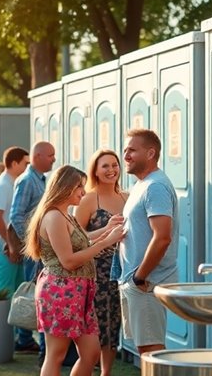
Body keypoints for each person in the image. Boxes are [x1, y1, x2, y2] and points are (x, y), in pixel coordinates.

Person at [25, 165, 125, 376]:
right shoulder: (53, 217)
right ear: (65, 188)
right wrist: (106, 241)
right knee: (56, 354)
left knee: (91, 352)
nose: (83, 191)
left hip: (81, 291)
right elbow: (68, 261)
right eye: (79, 186)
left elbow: (82, 241)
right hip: (60, 292)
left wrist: (106, 230)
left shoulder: (65, 215)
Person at [119, 129, 179, 355]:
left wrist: (140, 276)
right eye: (125, 150)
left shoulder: (155, 186)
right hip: (137, 282)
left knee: (151, 351)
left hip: (147, 282)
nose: (125, 155)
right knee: (145, 348)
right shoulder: (141, 185)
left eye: (132, 150)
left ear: (151, 153)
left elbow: (162, 237)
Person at [74, 149, 127, 376]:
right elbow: (75, 239)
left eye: (114, 165)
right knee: (95, 327)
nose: (111, 170)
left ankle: (107, 372)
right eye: (105, 166)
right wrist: (106, 233)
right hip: (94, 272)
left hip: (122, 271)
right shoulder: (87, 199)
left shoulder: (127, 197)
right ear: (95, 169)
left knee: (113, 324)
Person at [0, 147, 37, 353]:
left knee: (16, 294)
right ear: (14, 163)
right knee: (3, 294)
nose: (27, 167)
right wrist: (11, 244)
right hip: (4, 248)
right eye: (25, 163)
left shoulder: (10, 183)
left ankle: (19, 340)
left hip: (10, 247)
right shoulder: (3, 185)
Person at [8, 141, 56, 359]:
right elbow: (16, 215)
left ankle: (28, 341)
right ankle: (29, 341)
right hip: (36, 250)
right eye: (50, 155)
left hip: (41, 249)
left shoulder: (41, 180)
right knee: (35, 296)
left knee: (38, 295)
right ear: (37, 156)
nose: (54, 159)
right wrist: (31, 244)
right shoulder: (28, 181)